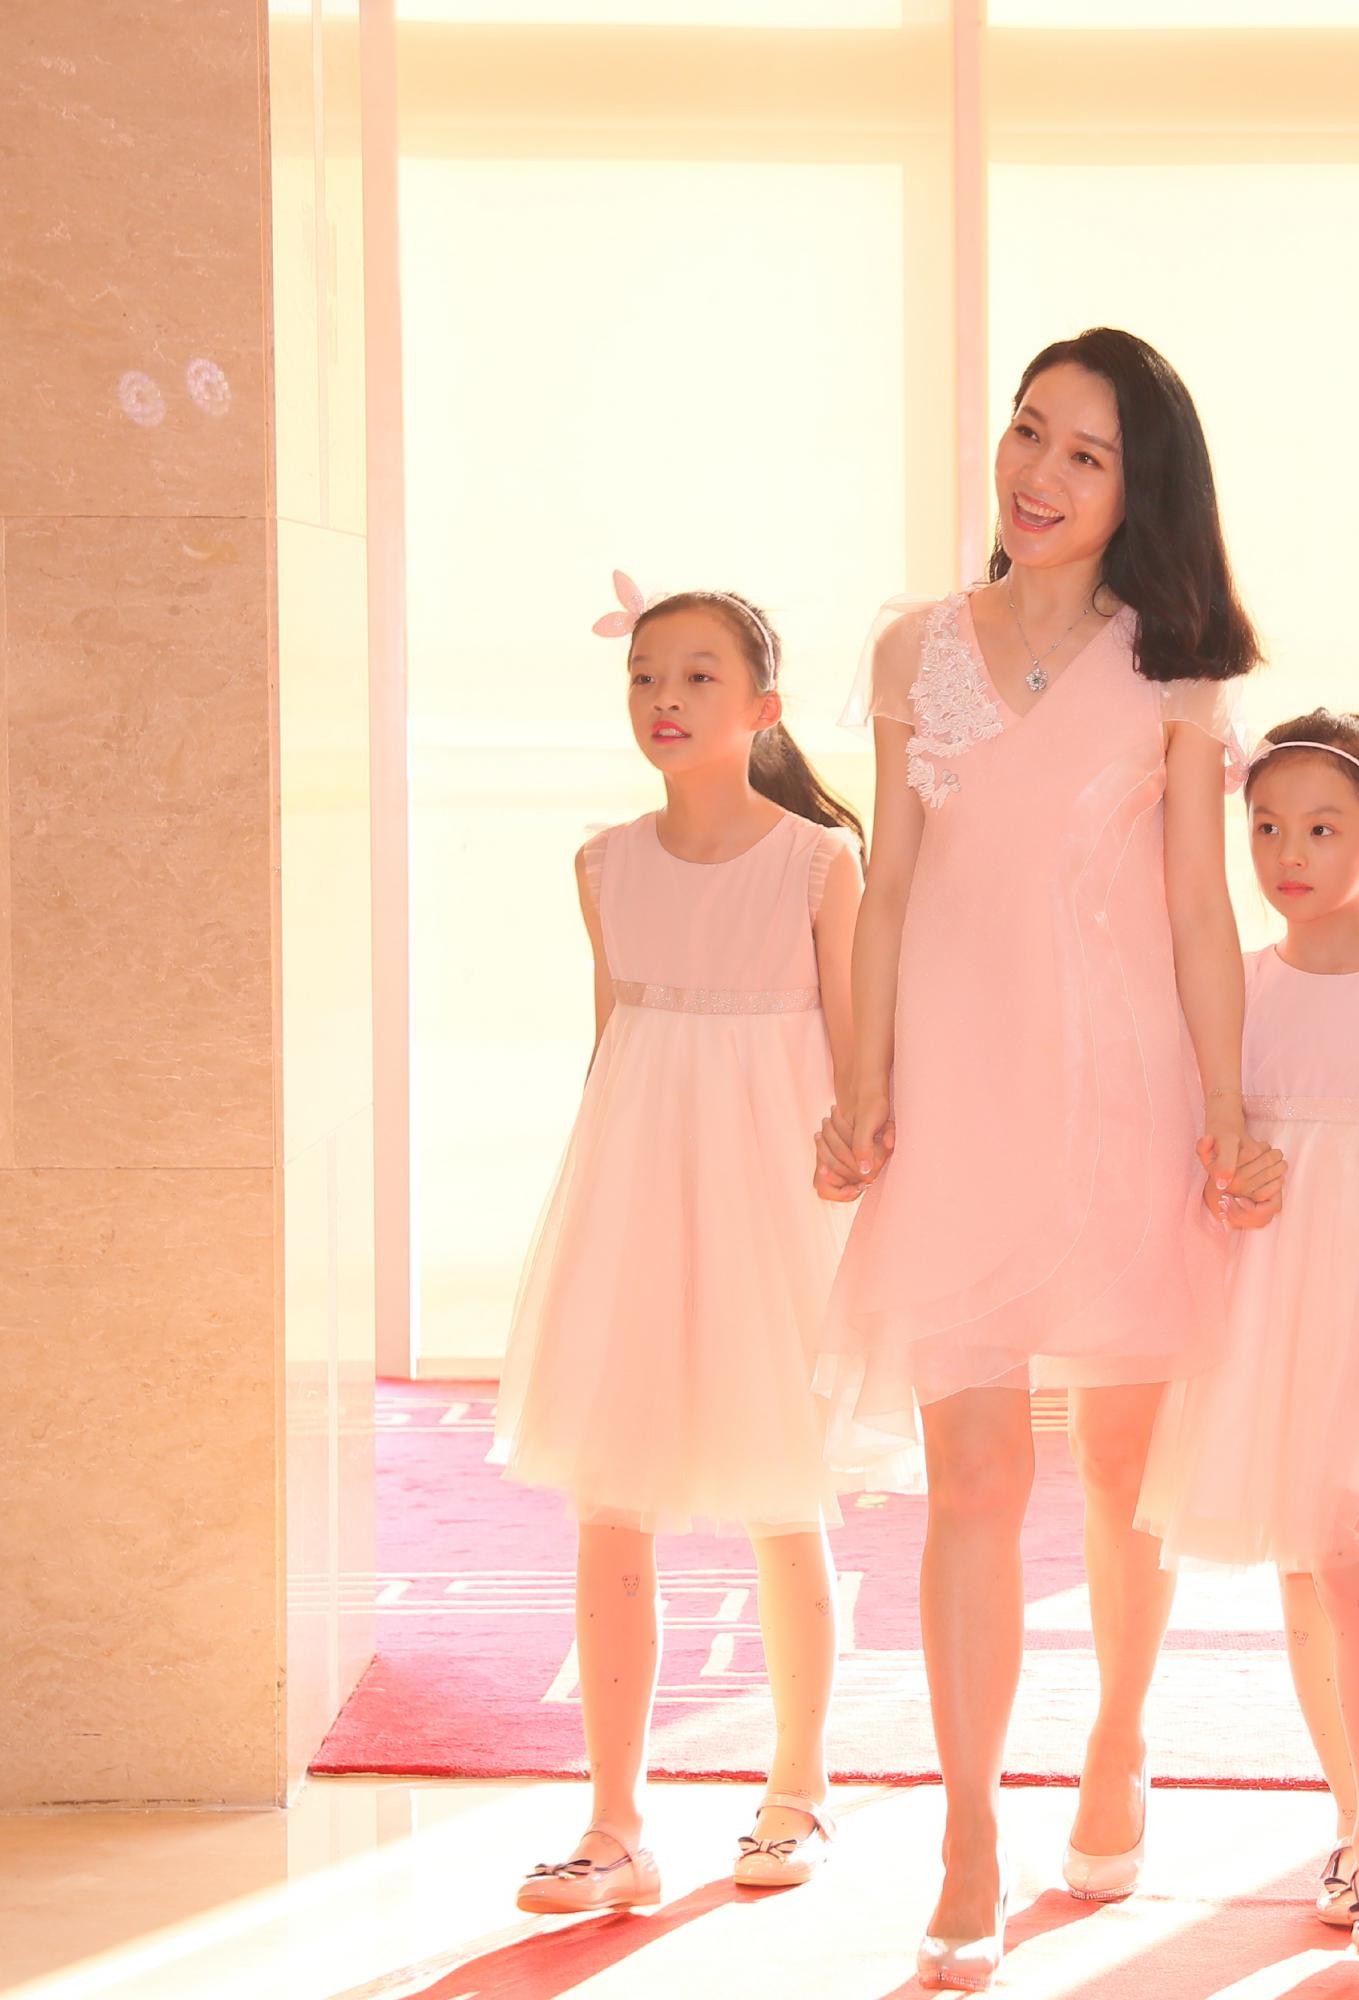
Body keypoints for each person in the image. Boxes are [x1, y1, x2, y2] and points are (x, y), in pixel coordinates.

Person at [814, 327, 1281, 1992]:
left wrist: (1228, 1108)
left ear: (1140, 489)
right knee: (974, 1479)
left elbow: (1196, 910)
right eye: (1030, 433)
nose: (1042, 474)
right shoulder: (916, 647)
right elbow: (887, 887)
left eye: (1088, 453)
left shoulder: (1176, 672)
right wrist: (862, 1083)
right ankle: (966, 1832)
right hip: (958, 1092)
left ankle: (1120, 1740)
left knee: (1123, 1466)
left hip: (1121, 1094)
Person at [492, 576, 871, 1915]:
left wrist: (856, 1171)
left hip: (774, 1199)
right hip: (635, 1197)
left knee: (784, 1491)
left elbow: (853, 1050)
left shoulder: (818, 862)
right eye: (647, 675)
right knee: (611, 1497)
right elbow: (614, 1048)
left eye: (700, 675)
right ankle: (613, 1824)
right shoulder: (604, 864)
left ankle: (797, 1793)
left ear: (762, 707)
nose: (666, 698)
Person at [1133, 709, 1359, 1961]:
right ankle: (1350, 1815)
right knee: (1302, 1566)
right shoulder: (1234, 985)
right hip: (1260, 1311)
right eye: (1268, 826)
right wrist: (1227, 1186)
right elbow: (1199, 1155)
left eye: (1323, 828)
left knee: (1349, 1560)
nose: (1289, 851)